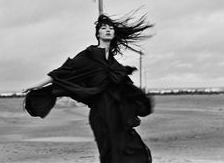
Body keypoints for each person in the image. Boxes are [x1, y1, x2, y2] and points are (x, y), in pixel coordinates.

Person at [23, 13, 153, 163]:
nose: (108, 30)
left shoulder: (113, 63)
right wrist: (37, 85)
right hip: (101, 114)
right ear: (97, 34)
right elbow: (63, 71)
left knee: (135, 150)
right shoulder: (88, 55)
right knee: (111, 154)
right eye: (104, 28)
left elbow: (125, 88)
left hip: (118, 114)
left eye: (111, 28)